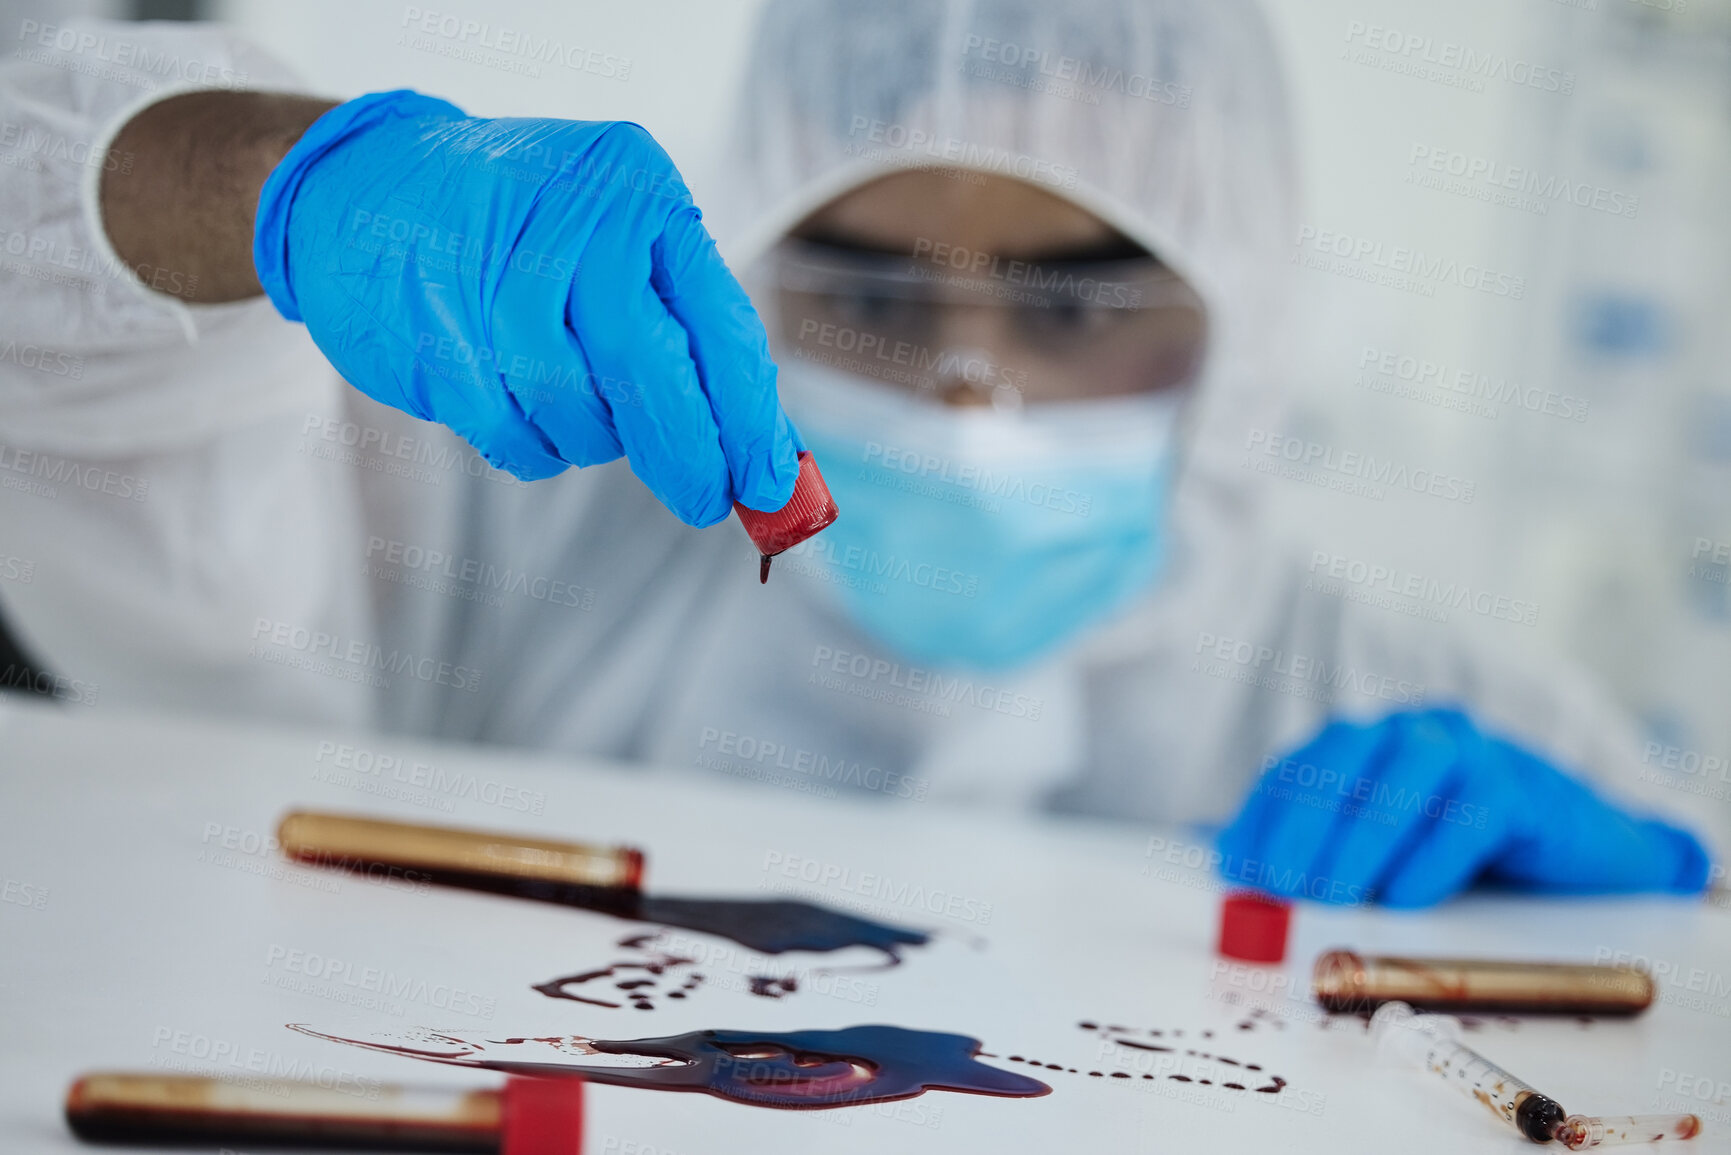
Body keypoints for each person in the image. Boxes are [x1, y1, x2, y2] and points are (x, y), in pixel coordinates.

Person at [0, 0, 1711, 907]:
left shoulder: (1407, 710)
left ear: (1242, 321)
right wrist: (273, 184)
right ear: (750, 272)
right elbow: (70, 367)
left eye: (1071, 304)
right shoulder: (495, 525)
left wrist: (1668, 915)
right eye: (874, 298)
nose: (967, 394)